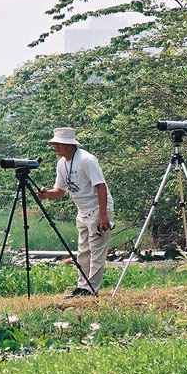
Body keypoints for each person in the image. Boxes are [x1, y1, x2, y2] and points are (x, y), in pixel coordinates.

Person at [37, 127, 113, 297]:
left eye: (59, 144)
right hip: (82, 211)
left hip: (97, 208)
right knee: (83, 251)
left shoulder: (87, 160)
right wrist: (47, 194)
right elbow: (60, 191)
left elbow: (100, 186)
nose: (56, 147)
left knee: (96, 250)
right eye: (55, 144)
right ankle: (82, 287)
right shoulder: (62, 163)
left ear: (69, 145)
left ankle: (91, 289)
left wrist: (103, 215)